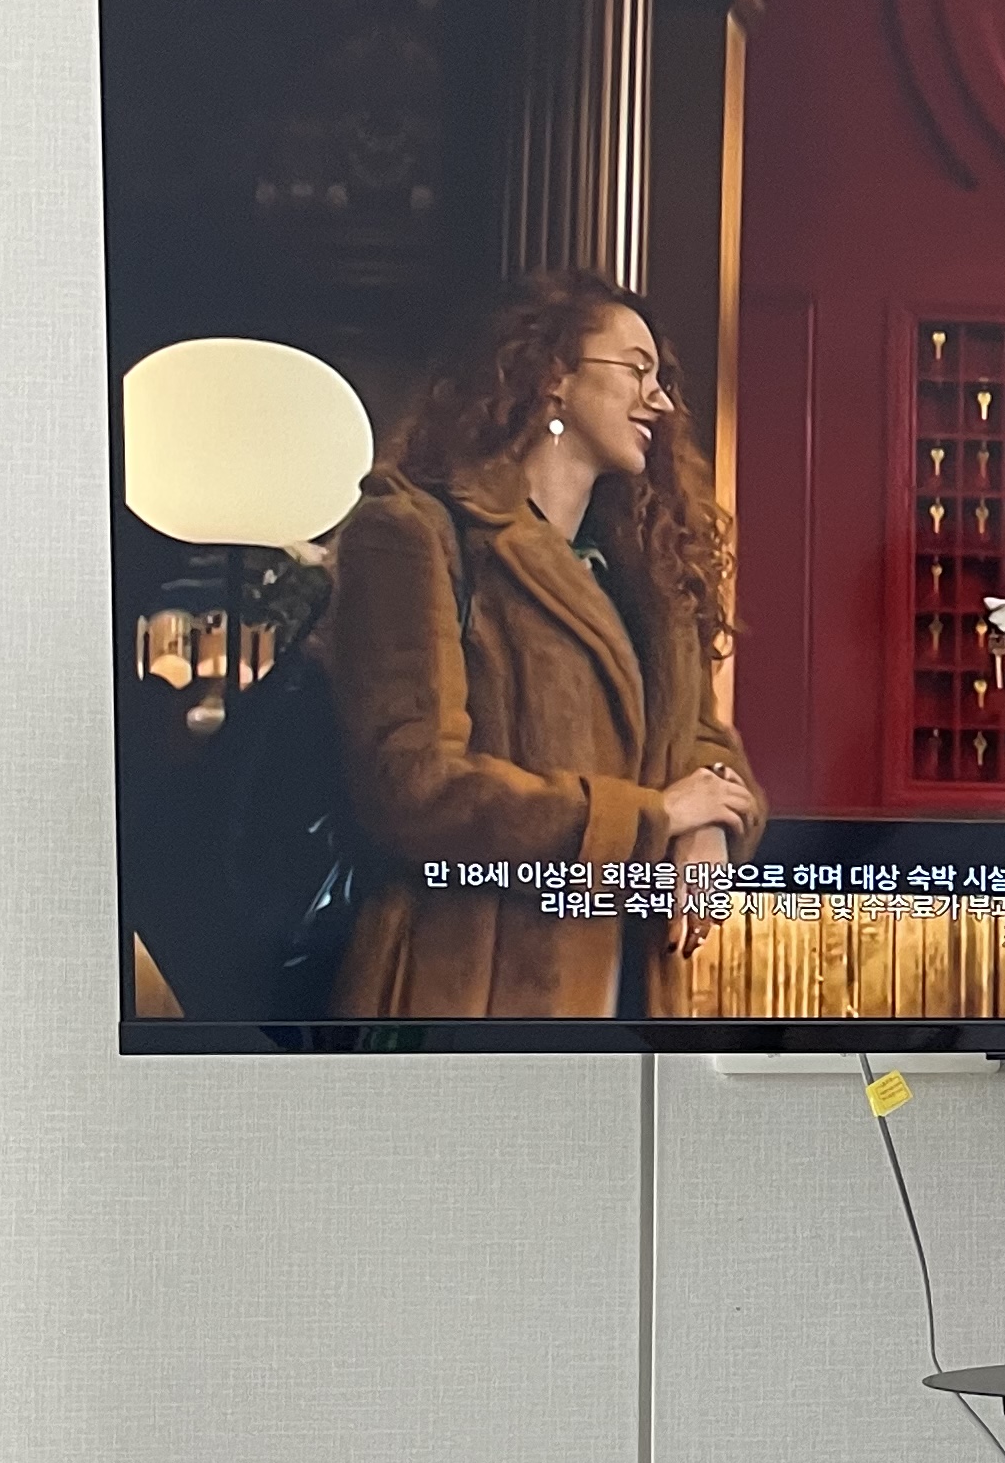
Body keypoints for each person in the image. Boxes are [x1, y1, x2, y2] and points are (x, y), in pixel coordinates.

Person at [320, 270, 765, 1017]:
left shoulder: (644, 575)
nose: (659, 400)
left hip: (626, 991)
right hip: (466, 992)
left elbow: (700, 741)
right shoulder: (414, 531)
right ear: (553, 376)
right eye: (636, 370)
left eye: (661, 379)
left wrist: (710, 830)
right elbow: (412, 783)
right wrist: (654, 819)